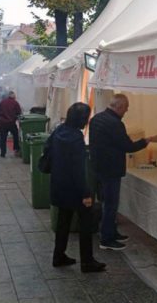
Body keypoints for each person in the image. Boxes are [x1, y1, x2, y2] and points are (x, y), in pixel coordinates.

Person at [50, 102, 107, 273]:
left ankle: (58, 256)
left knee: (63, 223)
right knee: (85, 224)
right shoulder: (76, 138)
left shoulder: (59, 131)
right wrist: (86, 193)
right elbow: (78, 170)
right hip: (75, 189)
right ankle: (87, 262)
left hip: (59, 185)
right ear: (82, 119)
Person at [89, 94, 149, 251]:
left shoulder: (97, 118)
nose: (127, 111)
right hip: (111, 169)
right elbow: (128, 146)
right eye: (126, 108)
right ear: (120, 106)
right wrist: (145, 141)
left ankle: (111, 232)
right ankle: (107, 239)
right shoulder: (115, 123)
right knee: (111, 204)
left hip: (98, 167)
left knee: (106, 202)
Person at [0, 91, 21, 158]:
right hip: (11, 123)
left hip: (2, 123)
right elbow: (19, 112)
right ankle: (16, 149)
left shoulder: (2, 102)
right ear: (13, 96)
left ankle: (3, 153)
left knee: (3, 138)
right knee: (15, 135)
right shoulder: (15, 103)